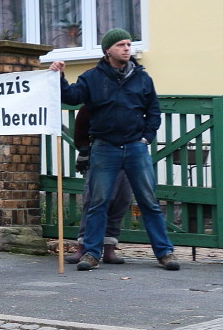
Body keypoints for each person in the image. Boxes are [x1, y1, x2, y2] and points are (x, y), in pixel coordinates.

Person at [51, 29, 180, 271]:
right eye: (121, 44)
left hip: (135, 148)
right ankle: (91, 253)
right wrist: (59, 76)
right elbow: (71, 97)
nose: (127, 48)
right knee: (98, 202)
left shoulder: (143, 78)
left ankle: (165, 253)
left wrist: (146, 138)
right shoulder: (91, 78)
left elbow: (153, 111)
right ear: (108, 50)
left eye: (129, 44)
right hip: (104, 148)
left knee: (149, 202)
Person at [65, 104, 132, 265]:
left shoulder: (131, 102)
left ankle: (109, 248)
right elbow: (80, 134)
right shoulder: (91, 105)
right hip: (100, 156)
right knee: (94, 202)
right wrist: (84, 152)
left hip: (128, 154)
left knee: (120, 201)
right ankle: (84, 247)